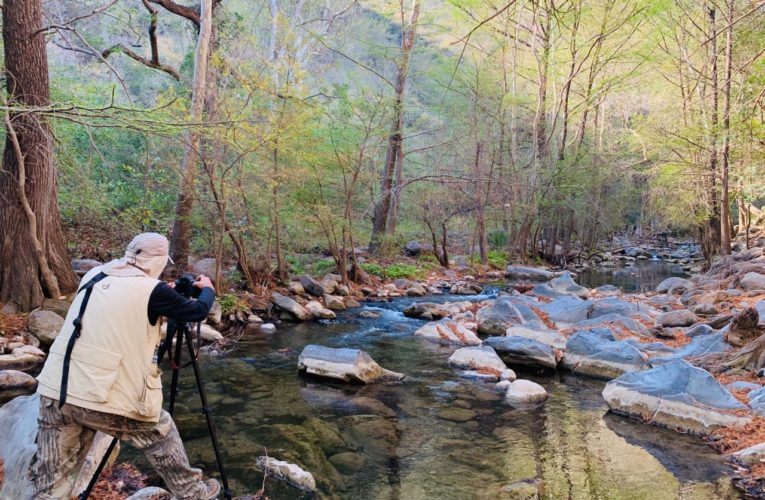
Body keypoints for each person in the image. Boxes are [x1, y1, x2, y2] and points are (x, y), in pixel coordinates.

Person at [30, 233, 220, 499]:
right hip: (98, 395)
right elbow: (198, 311)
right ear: (157, 261)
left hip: (55, 391)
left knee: (52, 484)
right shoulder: (152, 291)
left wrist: (166, 292)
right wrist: (208, 288)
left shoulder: (94, 274)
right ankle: (193, 492)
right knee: (160, 431)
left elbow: (121, 306)